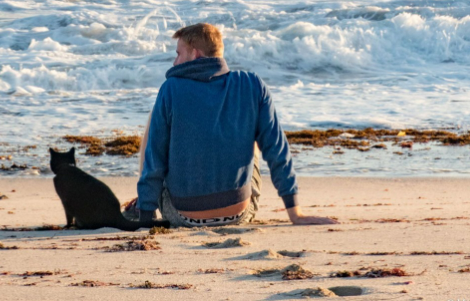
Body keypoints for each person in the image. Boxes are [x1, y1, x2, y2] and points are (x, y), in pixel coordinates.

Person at [133, 23, 336, 227]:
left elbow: (155, 158)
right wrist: (295, 213)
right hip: (239, 213)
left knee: (156, 122)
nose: (175, 63)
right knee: (251, 129)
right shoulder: (252, 84)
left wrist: (147, 217)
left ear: (195, 54)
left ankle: (142, 206)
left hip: (183, 216)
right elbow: (277, 150)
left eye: (178, 54)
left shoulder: (170, 89)